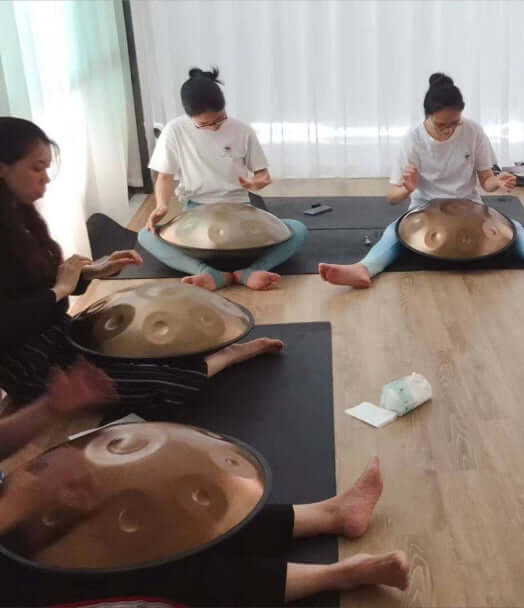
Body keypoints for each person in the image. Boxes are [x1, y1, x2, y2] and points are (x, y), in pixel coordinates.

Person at [0, 362, 409, 606]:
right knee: (153, 570)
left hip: (21, 515)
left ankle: (331, 514)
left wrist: (51, 407)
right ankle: (340, 576)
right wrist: (28, 497)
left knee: (170, 511)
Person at [0, 117, 284, 414]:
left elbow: (37, 290)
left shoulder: (20, 217)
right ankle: (227, 357)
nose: (45, 178)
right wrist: (61, 288)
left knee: (146, 347)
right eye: (36, 168)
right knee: (153, 382)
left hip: (60, 336)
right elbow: (10, 321)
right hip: (30, 364)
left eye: (47, 168)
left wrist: (88, 274)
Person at [317, 73, 524, 288]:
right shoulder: (413, 140)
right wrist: (406, 188)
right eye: (442, 125)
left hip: (470, 208)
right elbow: (392, 196)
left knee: (514, 228)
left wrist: (499, 183)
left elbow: (486, 181)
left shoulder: (473, 131)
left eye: (455, 123)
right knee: (394, 232)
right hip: (425, 208)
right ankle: (363, 270)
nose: (450, 130)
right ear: (428, 116)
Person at [138, 68, 308, 292]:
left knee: (298, 229)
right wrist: (161, 205)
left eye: (220, 119)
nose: (215, 127)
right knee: (145, 235)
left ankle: (249, 272)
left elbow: (263, 174)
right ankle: (207, 273)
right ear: (189, 117)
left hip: (240, 208)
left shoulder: (242, 130)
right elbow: (165, 176)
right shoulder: (174, 131)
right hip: (196, 210)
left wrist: (257, 183)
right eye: (205, 124)